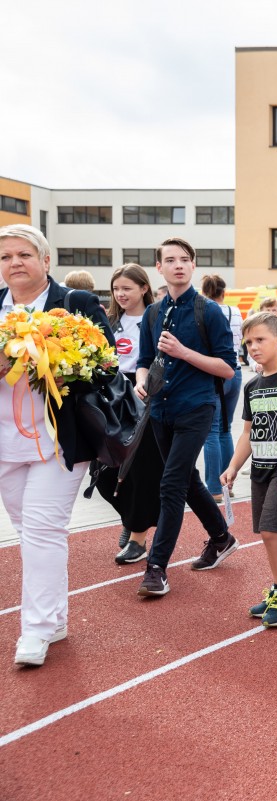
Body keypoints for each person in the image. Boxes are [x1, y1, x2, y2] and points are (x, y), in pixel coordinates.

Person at [0, 224, 116, 666]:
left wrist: (61, 359)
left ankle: (35, 630)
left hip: (58, 442)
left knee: (43, 530)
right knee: (29, 533)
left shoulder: (75, 302)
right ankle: (55, 616)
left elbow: (106, 367)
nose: (15, 263)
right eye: (7, 256)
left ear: (45, 261)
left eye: (24, 254)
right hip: (6, 442)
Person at [133, 238, 239, 597]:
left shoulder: (208, 311)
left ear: (193, 266)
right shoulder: (152, 313)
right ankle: (222, 537)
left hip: (196, 407)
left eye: (185, 259)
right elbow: (143, 361)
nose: (178, 265)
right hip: (159, 410)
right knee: (187, 480)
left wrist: (183, 352)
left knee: (171, 484)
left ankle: (156, 568)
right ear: (158, 268)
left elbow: (227, 368)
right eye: (170, 260)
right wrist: (142, 380)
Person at [220, 313, 277, 627]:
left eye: (260, 340)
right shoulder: (252, 386)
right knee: (268, 535)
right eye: (249, 342)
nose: (253, 347)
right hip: (259, 471)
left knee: (272, 530)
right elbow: (247, 433)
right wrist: (232, 466)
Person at [106, 263, 163, 564]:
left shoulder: (156, 318)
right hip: (112, 394)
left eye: (126, 288)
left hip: (145, 394)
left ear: (143, 288)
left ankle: (138, 535)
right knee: (104, 472)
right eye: (116, 289)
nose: (120, 294)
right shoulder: (109, 320)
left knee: (141, 467)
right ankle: (132, 518)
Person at [200, 275, 244, 504]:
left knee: (211, 432)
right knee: (225, 429)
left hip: (214, 372)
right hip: (235, 372)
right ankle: (228, 484)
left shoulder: (206, 312)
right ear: (223, 292)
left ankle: (215, 488)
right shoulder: (235, 312)